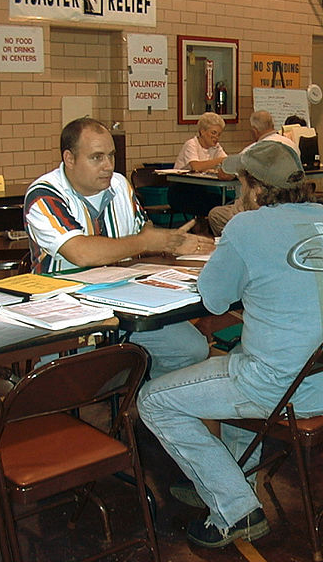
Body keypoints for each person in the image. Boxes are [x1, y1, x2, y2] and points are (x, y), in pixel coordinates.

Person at [137, 140, 323, 549]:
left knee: (153, 401)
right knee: (238, 354)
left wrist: (237, 233)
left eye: (242, 182)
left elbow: (214, 298)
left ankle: (234, 510)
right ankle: (226, 477)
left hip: (282, 386)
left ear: (255, 189)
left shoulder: (246, 225)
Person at [24, 117, 215, 379]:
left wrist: (172, 242)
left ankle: (145, 403)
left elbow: (143, 231)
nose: (108, 166)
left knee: (191, 349)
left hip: (124, 297)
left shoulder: (119, 185)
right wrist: (149, 241)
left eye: (111, 156)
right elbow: (80, 252)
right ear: (69, 159)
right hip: (67, 307)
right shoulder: (44, 194)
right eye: (97, 157)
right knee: (61, 383)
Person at [207, 110, 298, 236]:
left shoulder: (253, 151)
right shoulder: (292, 145)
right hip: (288, 204)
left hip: (257, 205)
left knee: (216, 215)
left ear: (254, 130)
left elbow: (224, 174)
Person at [171, 112, 232, 220]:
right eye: (213, 133)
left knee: (227, 203)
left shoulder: (216, 147)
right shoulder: (191, 144)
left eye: (219, 134)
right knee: (214, 205)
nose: (216, 137)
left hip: (203, 189)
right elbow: (196, 166)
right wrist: (220, 160)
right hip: (182, 192)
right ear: (202, 131)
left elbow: (228, 162)